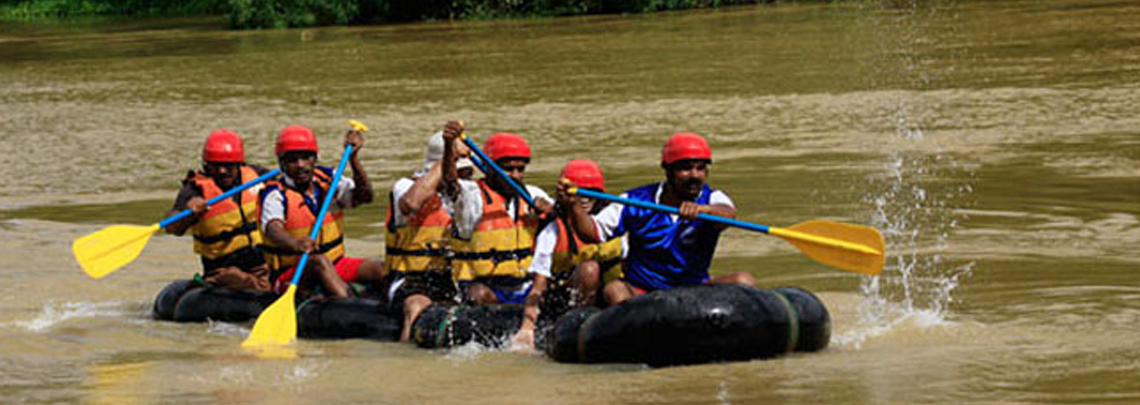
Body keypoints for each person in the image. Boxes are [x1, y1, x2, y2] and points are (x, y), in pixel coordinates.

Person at [557, 132, 755, 306]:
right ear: (667, 170)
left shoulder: (712, 198)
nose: (694, 175)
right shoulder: (634, 201)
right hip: (643, 292)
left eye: (700, 168)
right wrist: (573, 205)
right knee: (614, 290)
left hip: (695, 288)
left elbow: (728, 215)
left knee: (744, 281)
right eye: (685, 168)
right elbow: (592, 232)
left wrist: (703, 210)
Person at [259, 124, 387, 299]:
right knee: (318, 261)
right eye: (292, 160)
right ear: (282, 163)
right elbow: (273, 229)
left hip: (336, 263)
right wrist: (295, 243)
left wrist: (354, 160)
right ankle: (349, 306)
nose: (300, 165)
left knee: (381, 270)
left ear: (315, 158)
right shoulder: (274, 194)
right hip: (292, 274)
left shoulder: (329, 179)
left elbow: (365, 197)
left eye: (306, 158)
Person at [514, 159, 624, 347]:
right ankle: (583, 324)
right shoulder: (552, 231)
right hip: (567, 298)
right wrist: (527, 325)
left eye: (589, 194)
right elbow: (539, 284)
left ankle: (626, 328)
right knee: (589, 269)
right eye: (577, 195)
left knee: (616, 289)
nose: (583, 200)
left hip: (608, 294)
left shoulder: (612, 223)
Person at [441, 123, 555, 305]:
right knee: (478, 294)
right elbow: (450, 185)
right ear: (489, 168)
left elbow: (568, 219)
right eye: (508, 169)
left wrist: (554, 213)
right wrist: (449, 146)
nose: (516, 175)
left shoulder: (533, 195)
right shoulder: (471, 196)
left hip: (525, 286)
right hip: (483, 287)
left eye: (520, 169)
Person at [383, 125, 473, 341]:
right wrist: (447, 159)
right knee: (417, 307)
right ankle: (407, 361)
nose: (461, 177)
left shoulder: (466, 193)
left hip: (453, 280)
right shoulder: (404, 187)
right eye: (458, 171)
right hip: (411, 280)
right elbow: (411, 203)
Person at [164, 129, 272, 292]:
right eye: (216, 166)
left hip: (263, 265)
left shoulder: (259, 176)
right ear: (207, 166)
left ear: (238, 163)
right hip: (222, 272)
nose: (222, 171)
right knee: (236, 278)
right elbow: (171, 227)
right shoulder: (195, 190)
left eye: (228, 165)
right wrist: (189, 212)